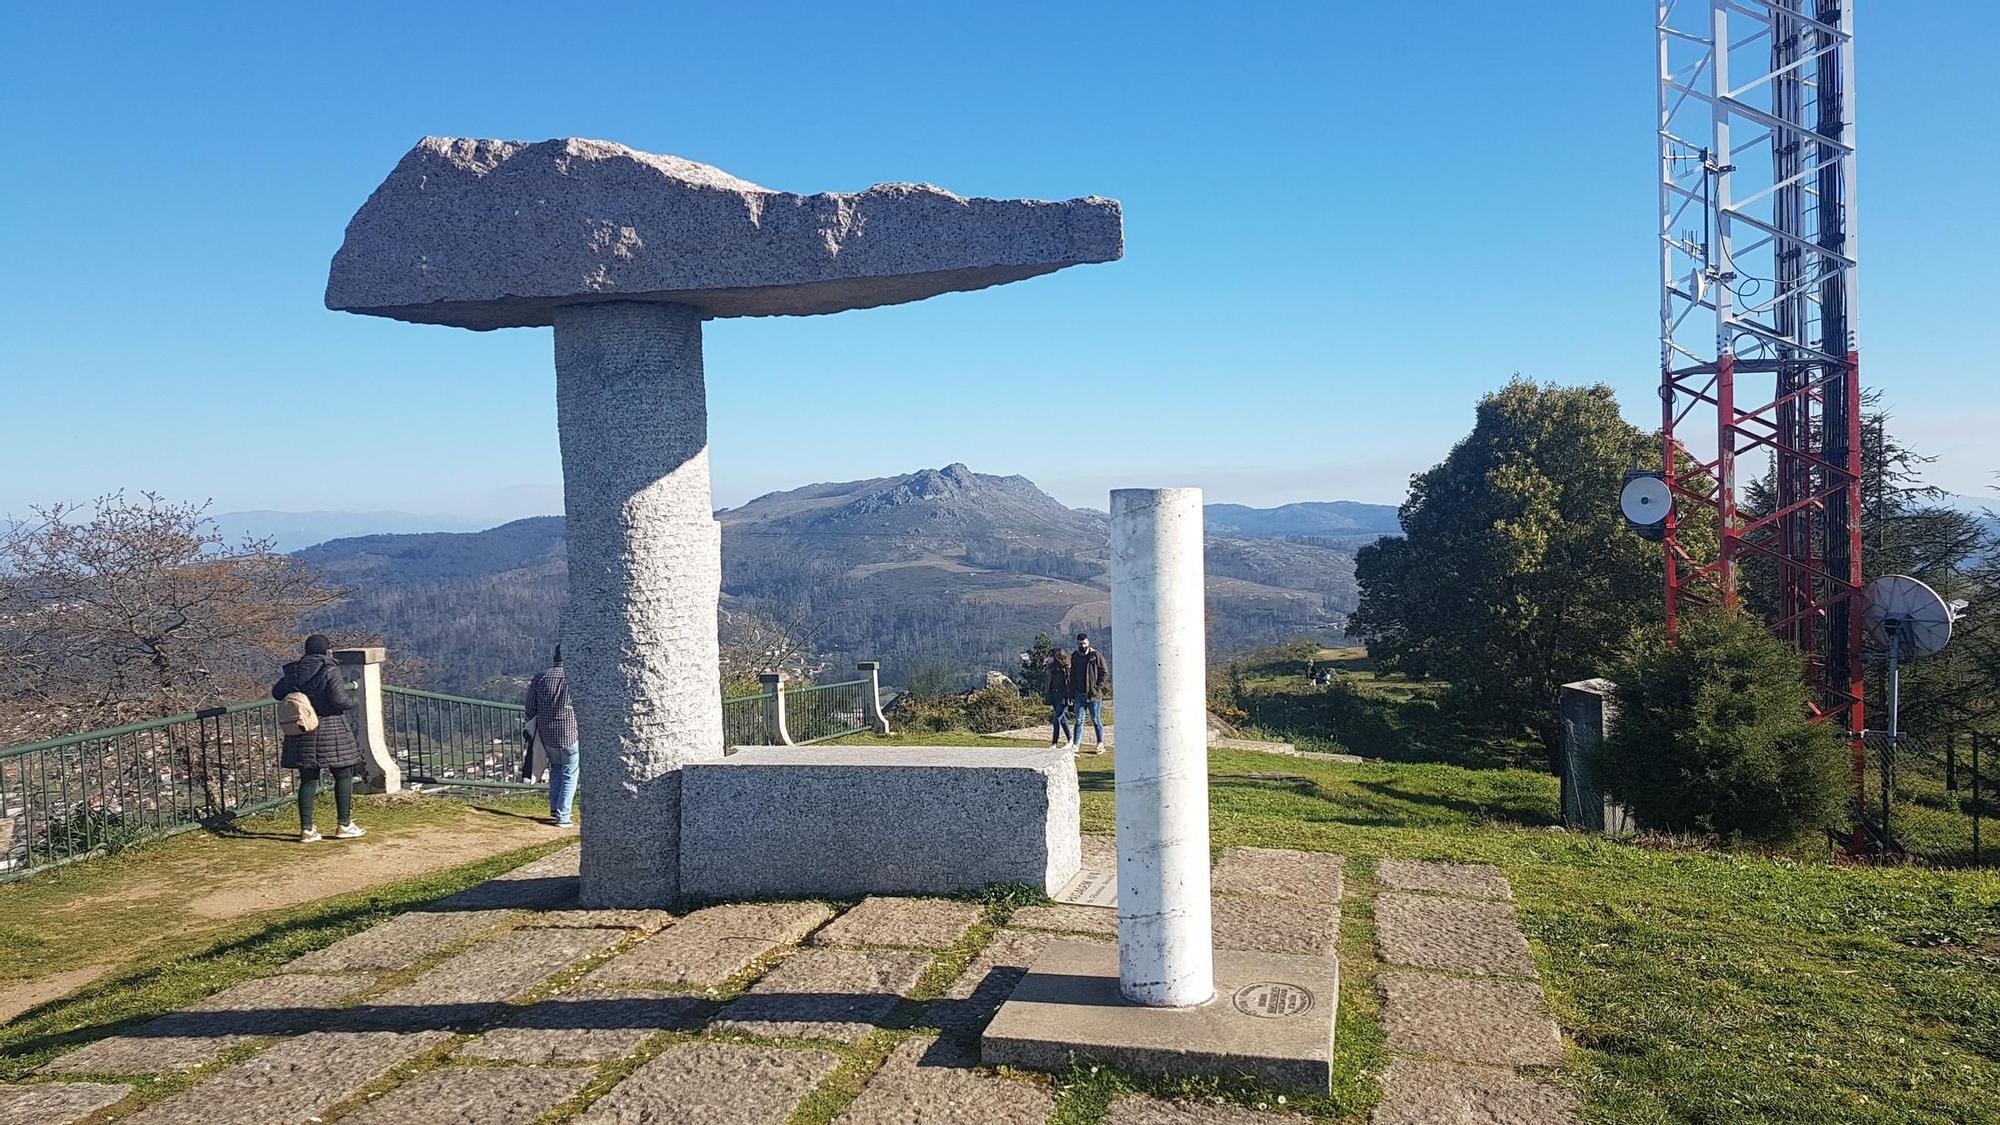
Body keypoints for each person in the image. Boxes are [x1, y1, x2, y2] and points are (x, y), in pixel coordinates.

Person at [272, 634, 365, 843]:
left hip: (302, 729)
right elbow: (338, 700)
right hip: (331, 727)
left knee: (308, 779)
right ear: (326, 650)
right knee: (343, 774)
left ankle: (307, 829)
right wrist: (354, 702)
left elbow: (277, 693)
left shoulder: (293, 671)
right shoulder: (329, 669)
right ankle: (344, 824)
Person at [524, 645, 579, 827]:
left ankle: (555, 809)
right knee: (570, 772)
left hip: (546, 733)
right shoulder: (575, 677)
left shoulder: (541, 677)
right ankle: (563, 816)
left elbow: (530, 708)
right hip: (570, 732)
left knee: (556, 768)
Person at [1067, 632, 1109, 753]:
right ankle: (1076, 744)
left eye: (1084, 643)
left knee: (1096, 720)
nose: (1082, 646)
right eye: (1080, 644)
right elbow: (1072, 675)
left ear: (1088, 643)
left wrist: (1097, 687)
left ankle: (1100, 743)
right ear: (1077, 644)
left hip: (1094, 695)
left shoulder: (1096, 655)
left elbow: (1104, 672)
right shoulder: (1075, 656)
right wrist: (1071, 694)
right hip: (1079, 694)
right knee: (1079, 720)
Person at [1044, 648, 1073, 747]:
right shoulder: (1050, 669)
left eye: (1051, 656)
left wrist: (1070, 697)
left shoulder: (1065, 669)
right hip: (1054, 696)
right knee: (1062, 719)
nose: (1049, 658)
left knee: (1056, 719)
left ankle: (1054, 743)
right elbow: (1048, 683)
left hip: (1063, 697)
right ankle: (1070, 739)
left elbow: (1069, 683)